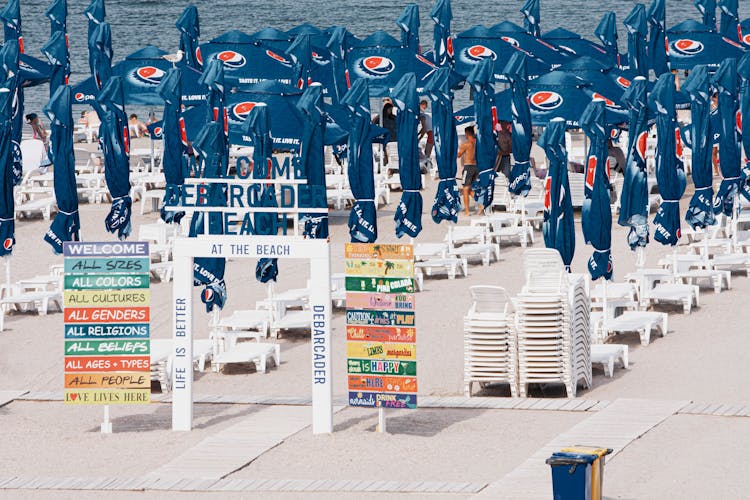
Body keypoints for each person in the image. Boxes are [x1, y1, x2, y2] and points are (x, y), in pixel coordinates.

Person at [457, 126, 480, 215]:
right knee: (470, 189)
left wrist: (459, 147)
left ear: (467, 133)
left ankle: (467, 211)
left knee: (465, 189)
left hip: (468, 167)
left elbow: (459, 155)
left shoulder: (466, 144)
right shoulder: (477, 143)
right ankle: (481, 205)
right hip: (477, 167)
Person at [381, 98, 397, 165]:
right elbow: (373, 122)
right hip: (386, 137)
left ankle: (392, 165)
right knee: (386, 152)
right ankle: (386, 164)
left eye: (391, 109)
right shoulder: (381, 118)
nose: (390, 111)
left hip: (394, 136)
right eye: (389, 109)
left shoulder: (394, 117)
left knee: (394, 153)